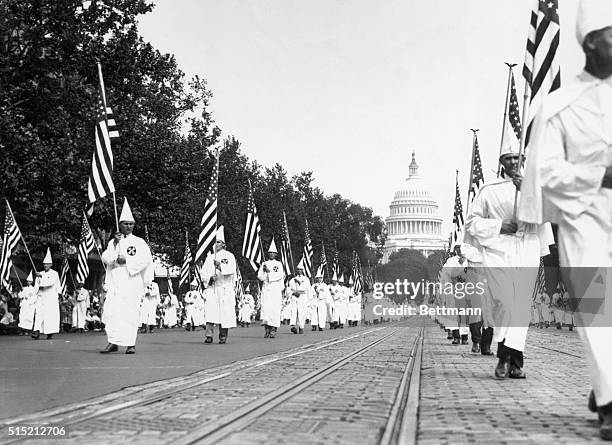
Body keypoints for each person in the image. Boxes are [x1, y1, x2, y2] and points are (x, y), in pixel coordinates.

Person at [518, 1, 612, 438]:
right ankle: (611, 402)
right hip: (585, 218)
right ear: (591, 43)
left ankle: (603, 384)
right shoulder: (560, 105)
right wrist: (598, 175)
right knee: (599, 310)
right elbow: (546, 172)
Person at [465, 144, 553, 379]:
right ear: (502, 161)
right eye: (508, 158)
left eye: (517, 157)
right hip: (498, 248)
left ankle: (512, 361)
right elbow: (472, 223)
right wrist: (498, 226)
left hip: (527, 246)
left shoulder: (536, 185)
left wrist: (528, 191)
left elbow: (549, 215)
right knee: (504, 302)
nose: (514, 162)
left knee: (521, 307)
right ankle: (505, 356)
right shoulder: (488, 189)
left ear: (524, 158)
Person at [100, 198, 153, 354]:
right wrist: (116, 246)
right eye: (125, 223)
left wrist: (127, 261)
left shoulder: (139, 242)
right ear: (120, 225)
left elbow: (145, 261)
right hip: (116, 280)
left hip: (131, 280)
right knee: (112, 312)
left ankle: (130, 344)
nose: (128, 226)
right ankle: (113, 342)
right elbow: (105, 258)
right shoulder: (113, 242)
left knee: (129, 312)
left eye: (131, 224)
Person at [199, 226, 237, 344]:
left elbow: (231, 270)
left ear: (223, 244)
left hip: (225, 288)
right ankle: (209, 335)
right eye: (215, 242)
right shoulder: (209, 257)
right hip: (213, 288)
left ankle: (222, 336)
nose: (216, 244)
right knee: (211, 311)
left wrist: (220, 266)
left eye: (219, 242)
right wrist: (210, 279)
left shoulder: (229, 256)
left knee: (224, 313)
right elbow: (203, 273)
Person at [257, 238, 285, 338]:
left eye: (273, 253)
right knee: (266, 310)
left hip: (275, 289)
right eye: (270, 253)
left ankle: (273, 329)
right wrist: (264, 272)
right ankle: (267, 329)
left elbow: (279, 276)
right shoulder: (264, 263)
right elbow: (259, 276)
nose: (271, 254)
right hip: (267, 289)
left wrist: (269, 272)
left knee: (274, 309)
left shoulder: (278, 264)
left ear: (276, 254)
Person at [32, 248, 61, 340]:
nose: (45, 265)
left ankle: (50, 332)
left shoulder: (54, 273)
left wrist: (41, 277)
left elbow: (50, 283)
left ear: (51, 265)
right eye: (44, 264)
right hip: (41, 297)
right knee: (39, 313)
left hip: (50, 298)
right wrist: (36, 290)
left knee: (50, 315)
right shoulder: (39, 273)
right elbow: (36, 285)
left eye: (47, 264)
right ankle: (36, 331)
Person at [289, 264, 310, 334]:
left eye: (300, 269)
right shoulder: (292, 279)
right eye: (298, 269)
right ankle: (293, 326)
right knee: (293, 311)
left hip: (302, 297)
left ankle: (301, 326)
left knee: (301, 312)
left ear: (303, 270)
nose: (299, 271)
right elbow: (289, 289)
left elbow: (308, 290)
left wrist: (308, 299)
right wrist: (293, 293)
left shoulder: (306, 279)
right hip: (294, 296)